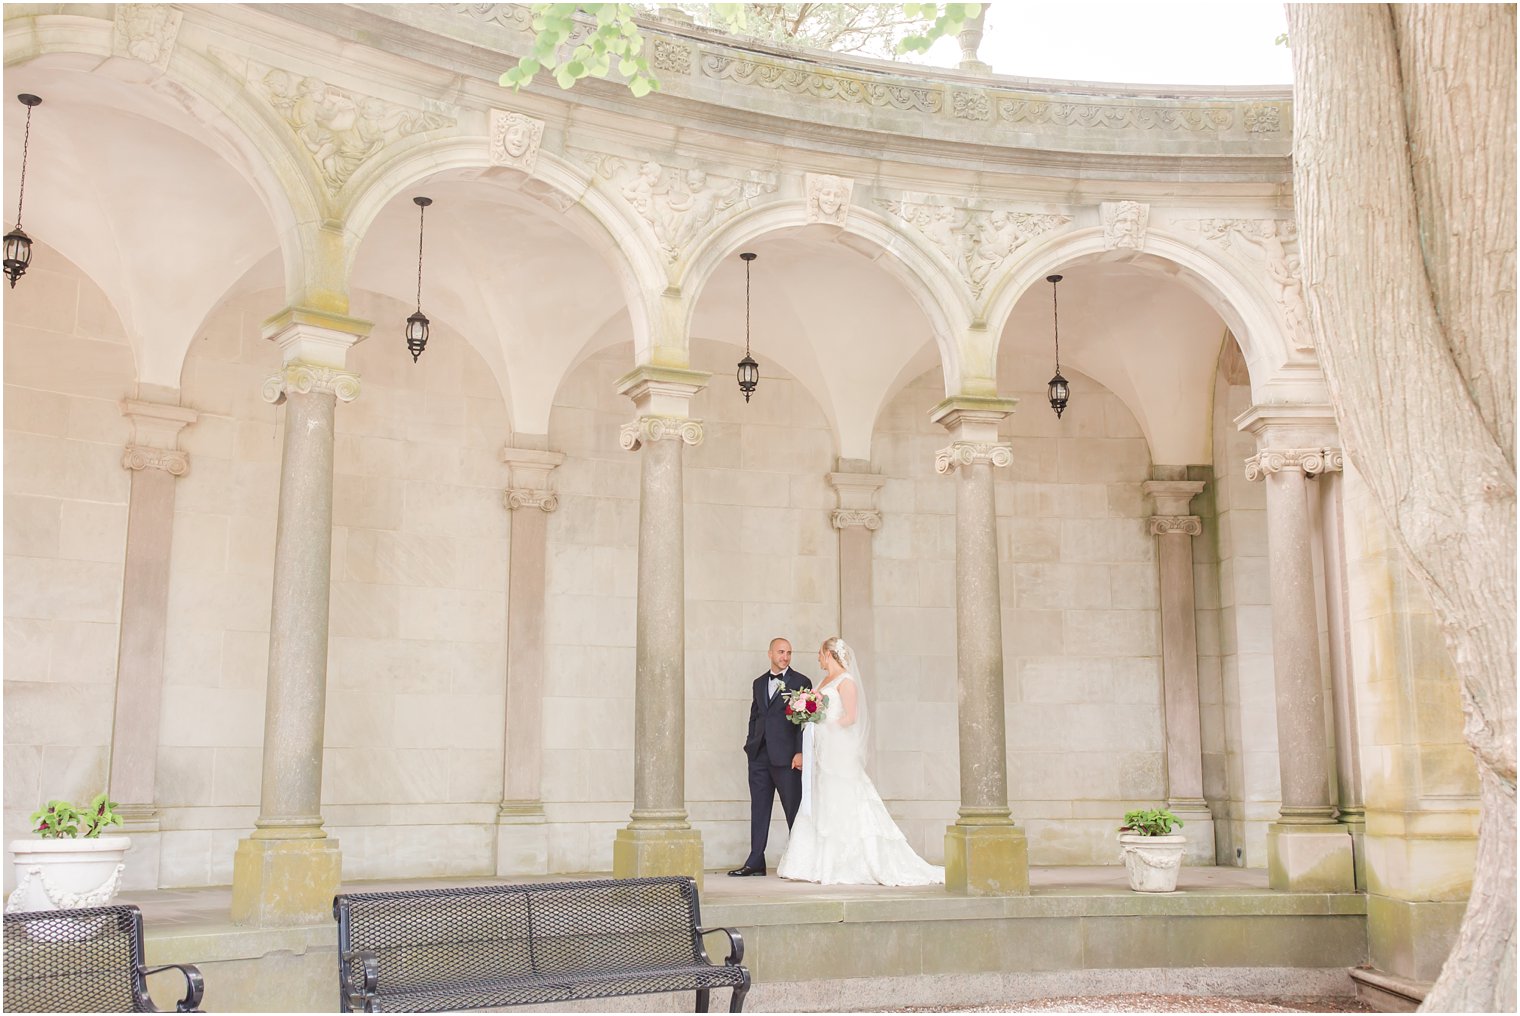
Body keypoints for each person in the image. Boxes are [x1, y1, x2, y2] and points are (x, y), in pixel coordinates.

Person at [777, 636, 945, 886]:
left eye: (820, 654)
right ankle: (812, 863)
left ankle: (841, 863)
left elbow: (851, 717)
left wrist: (823, 726)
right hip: (822, 749)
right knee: (821, 797)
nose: (818, 658)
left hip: (837, 749)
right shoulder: (824, 681)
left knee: (842, 797)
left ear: (829, 654)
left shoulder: (846, 681)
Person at [729, 638, 811, 876]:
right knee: (759, 808)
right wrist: (750, 744)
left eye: (789, 653)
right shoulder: (758, 683)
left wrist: (800, 751)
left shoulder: (800, 681)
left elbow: (804, 721)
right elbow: (754, 716)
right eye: (781, 652)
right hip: (759, 756)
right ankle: (755, 861)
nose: (785, 657)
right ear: (770, 654)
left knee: (793, 810)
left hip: (787, 758)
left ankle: (801, 860)